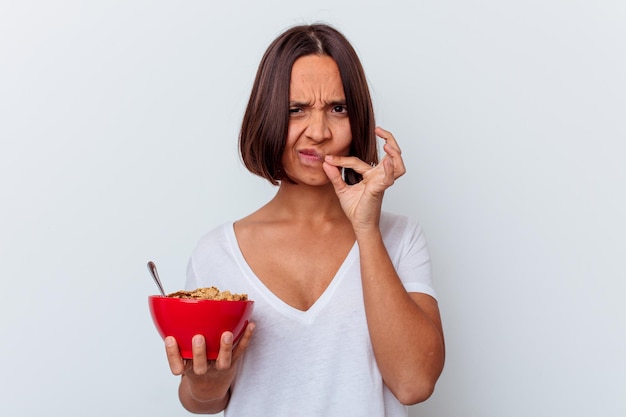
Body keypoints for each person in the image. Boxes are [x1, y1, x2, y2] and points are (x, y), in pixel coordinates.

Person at [164, 23, 445, 416]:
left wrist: (366, 230)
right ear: (267, 117)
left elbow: (413, 383)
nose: (319, 131)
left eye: (338, 108)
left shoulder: (400, 238)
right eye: (296, 110)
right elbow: (203, 401)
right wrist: (204, 386)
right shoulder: (217, 252)